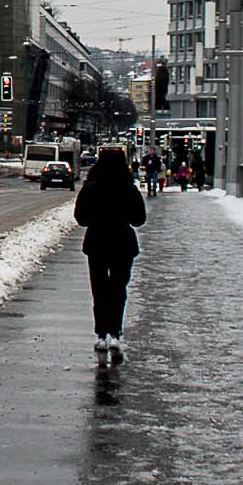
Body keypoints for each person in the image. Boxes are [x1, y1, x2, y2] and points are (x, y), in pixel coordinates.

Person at [73, 147, 146, 364]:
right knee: (118, 289)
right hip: (123, 243)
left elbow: (81, 218)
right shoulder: (129, 189)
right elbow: (139, 219)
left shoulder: (90, 188)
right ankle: (115, 332)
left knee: (100, 290)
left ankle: (101, 334)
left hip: (97, 242)